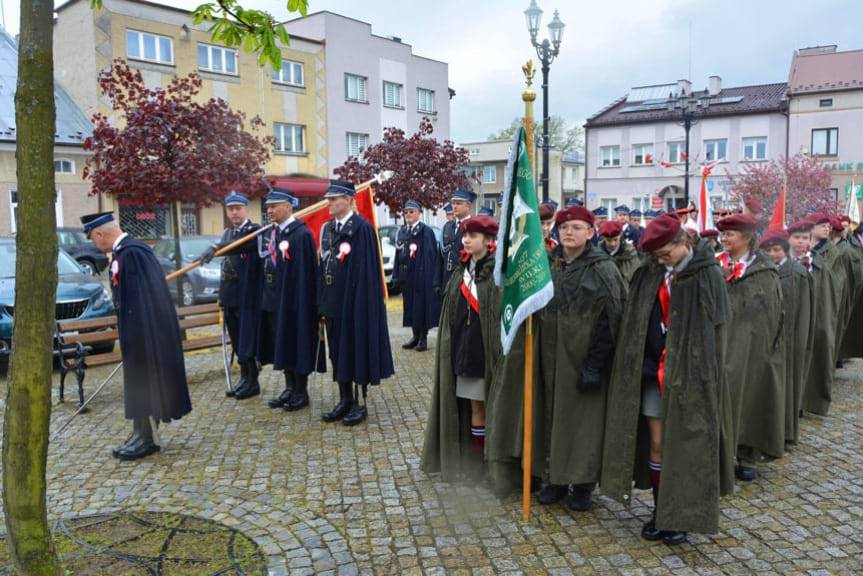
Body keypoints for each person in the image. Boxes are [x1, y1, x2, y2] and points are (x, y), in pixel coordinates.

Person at [602, 214, 734, 545]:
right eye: (657, 256)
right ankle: (661, 510)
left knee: (685, 443)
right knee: (658, 442)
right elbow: (635, 321)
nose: (663, 260)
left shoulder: (707, 275)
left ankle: (682, 515)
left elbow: (717, 330)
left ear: (683, 242)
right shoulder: (648, 274)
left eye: (667, 254)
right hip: (653, 373)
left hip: (691, 376)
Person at [533, 206, 626, 512]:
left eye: (575, 227)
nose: (568, 232)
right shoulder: (550, 263)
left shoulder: (603, 269)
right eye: (563, 227)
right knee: (554, 419)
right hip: (551, 357)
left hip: (584, 359)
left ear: (590, 232)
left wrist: (595, 364)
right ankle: (556, 478)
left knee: (584, 423)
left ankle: (583, 484)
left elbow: (612, 318)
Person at [82, 211, 191, 460]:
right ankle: (139, 432)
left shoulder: (132, 253)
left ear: (100, 234)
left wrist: (141, 335)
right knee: (138, 381)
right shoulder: (126, 252)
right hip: (137, 331)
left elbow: (143, 300)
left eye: (93, 238)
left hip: (144, 332)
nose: (95, 244)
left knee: (145, 381)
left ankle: (147, 438)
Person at [421, 215, 501, 481]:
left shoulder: (498, 273)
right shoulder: (461, 271)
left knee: (492, 407)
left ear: (488, 241)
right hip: (463, 351)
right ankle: (477, 461)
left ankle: (493, 462)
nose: (466, 240)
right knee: (475, 407)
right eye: (465, 235)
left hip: (486, 351)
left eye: (472, 236)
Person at [319, 180, 395, 425]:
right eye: (328, 199)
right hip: (333, 300)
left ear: (349, 200)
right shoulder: (329, 229)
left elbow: (366, 272)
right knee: (337, 351)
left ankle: (359, 402)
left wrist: (361, 304)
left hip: (354, 302)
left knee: (356, 350)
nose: (329, 203)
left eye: (334, 199)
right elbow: (324, 264)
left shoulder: (361, 229)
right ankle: (344, 399)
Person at [716, 214, 785, 480]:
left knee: (750, 396)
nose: (724, 239)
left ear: (746, 237)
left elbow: (772, 313)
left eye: (729, 234)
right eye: (723, 234)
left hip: (751, 346)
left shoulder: (764, 272)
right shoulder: (716, 265)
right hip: (719, 342)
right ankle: (719, 453)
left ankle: (746, 453)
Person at [254, 189, 319, 412]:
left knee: (296, 343)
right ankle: (289, 387)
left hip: (293, 303)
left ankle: (301, 391)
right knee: (280, 343)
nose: (269, 211)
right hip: (274, 299)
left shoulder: (301, 234)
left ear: (289, 207)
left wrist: (301, 303)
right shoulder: (275, 233)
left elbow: (306, 274)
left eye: (274, 206)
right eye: (268, 207)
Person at [201, 192, 263, 399]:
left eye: (238, 208)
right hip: (230, 295)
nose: (234, 212)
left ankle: (252, 381)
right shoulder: (227, 233)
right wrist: (222, 296)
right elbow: (225, 266)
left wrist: (215, 247)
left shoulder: (254, 231)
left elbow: (239, 246)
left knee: (247, 339)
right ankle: (244, 378)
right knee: (236, 338)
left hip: (247, 295)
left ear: (246, 210)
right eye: (230, 209)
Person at [759, 229, 815, 445]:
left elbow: (803, 312)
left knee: (787, 386)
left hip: (789, 339)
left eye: (777, 250)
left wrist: (798, 343)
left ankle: (785, 432)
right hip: (765, 339)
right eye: (768, 250)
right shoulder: (762, 271)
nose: (773, 254)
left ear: (785, 250)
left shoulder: (797, 274)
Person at [803, 213, 843, 416]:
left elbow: (837, 282)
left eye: (828, 226)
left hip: (821, 305)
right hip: (804, 304)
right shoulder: (804, 248)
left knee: (820, 348)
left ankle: (813, 401)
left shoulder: (832, 252)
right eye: (822, 225)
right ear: (812, 228)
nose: (827, 228)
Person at [393, 200, 441, 352]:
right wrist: (396, 275)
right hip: (406, 277)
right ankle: (414, 336)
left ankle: (423, 338)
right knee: (410, 306)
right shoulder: (402, 231)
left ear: (419, 213)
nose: (408, 214)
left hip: (421, 277)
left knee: (421, 307)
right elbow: (398, 255)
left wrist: (429, 278)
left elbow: (431, 257)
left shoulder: (426, 231)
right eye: (406, 212)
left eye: (411, 211)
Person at [439, 189, 476, 289]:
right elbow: (440, 259)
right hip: (447, 280)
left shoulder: (475, 227)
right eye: (453, 203)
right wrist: (436, 283)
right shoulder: (447, 227)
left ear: (468, 206)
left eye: (458, 203)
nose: (454, 206)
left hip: (465, 282)